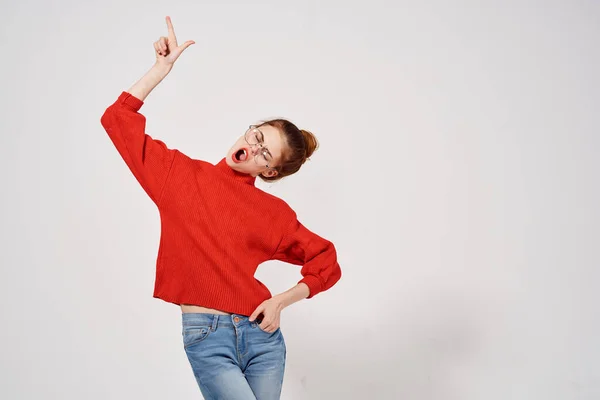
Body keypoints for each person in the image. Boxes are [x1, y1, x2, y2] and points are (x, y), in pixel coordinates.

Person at [100, 16, 342, 400]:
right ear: (249, 130)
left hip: (262, 338)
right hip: (206, 336)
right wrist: (160, 70)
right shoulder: (177, 175)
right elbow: (117, 121)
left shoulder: (273, 213)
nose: (254, 148)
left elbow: (325, 260)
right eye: (257, 136)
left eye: (266, 154)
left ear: (270, 170)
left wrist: (281, 301)